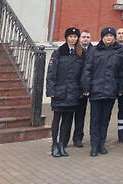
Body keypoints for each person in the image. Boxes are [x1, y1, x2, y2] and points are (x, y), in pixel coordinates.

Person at [81, 27, 123, 157]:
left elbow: (121, 72)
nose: (109, 38)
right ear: (102, 37)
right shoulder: (94, 51)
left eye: (111, 36)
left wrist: (120, 88)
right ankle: (94, 145)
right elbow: (87, 70)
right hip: (96, 90)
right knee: (95, 119)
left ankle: (101, 144)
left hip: (110, 90)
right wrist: (86, 88)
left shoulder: (119, 51)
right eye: (106, 36)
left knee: (105, 119)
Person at [46, 27, 84, 157]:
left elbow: (82, 74)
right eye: (71, 36)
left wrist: (81, 89)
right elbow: (51, 73)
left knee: (67, 121)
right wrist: (51, 90)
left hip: (73, 92)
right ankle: (54, 145)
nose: (73, 39)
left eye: (75, 37)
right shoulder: (58, 53)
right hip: (59, 92)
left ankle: (62, 144)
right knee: (57, 119)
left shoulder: (80, 53)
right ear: (66, 37)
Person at [70, 29, 93, 148]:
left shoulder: (93, 51)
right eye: (83, 37)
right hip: (73, 88)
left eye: (88, 37)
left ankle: (78, 138)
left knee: (80, 115)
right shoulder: (73, 51)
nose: (86, 39)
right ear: (80, 38)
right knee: (68, 115)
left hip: (85, 90)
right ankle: (64, 138)